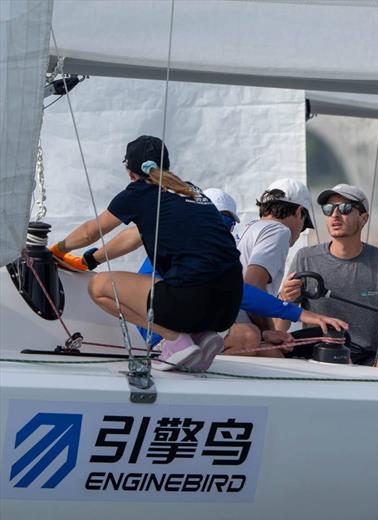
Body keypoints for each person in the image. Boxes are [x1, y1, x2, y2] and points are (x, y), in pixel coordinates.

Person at [66, 187, 345, 352]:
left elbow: (130, 234)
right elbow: (246, 290)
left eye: (227, 223)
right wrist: (297, 313)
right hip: (157, 336)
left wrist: (84, 259)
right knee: (249, 336)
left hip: (149, 328)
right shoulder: (218, 244)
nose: (223, 228)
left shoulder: (171, 231)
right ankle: (175, 343)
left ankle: (177, 343)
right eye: (220, 221)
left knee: (257, 341)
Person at [49, 135, 243, 370]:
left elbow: (90, 232)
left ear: (130, 172)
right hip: (229, 305)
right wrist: (89, 260)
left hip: (192, 301)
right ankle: (202, 337)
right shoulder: (191, 190)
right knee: (190, 281)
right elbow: (135, 236)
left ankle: (176, 340)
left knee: (98, 287)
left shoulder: (138, 193)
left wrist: (58, 250)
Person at [277, 184, 378, 370]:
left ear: (364, 219)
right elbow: (279, 327)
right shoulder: (305, 258)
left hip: (367, 359)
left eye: (345, 209)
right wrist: (285, 298)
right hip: (318, 355)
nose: (335, 215)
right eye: (329, 209)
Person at [226, 178, 318, 356]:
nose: (301, 231)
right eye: (305, 224)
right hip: (240, 332)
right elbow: (252, 285)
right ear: (300, 212)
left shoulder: (247, 229)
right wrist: (269, 331)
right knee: (278, 355)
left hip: (224, 329)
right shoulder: (278, 231)